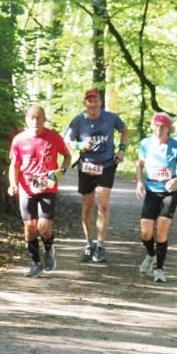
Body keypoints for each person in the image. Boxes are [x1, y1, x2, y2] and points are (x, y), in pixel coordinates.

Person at [63, 89, 130, 263]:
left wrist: (121, 151)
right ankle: (88, 243)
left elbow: (125, 131)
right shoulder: (79, 120)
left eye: (95, 100)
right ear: (85, 103)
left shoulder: (110, 118)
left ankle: (100, 245)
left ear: (100, 102)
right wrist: (79, 145)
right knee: (87, 205)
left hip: (107, 165)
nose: (92, 104)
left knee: (104, 205)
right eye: (89, 101)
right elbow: (66, 141)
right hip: (86, 166)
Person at [8, 105, 72, 278]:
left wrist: (62, 171)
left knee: (44, 226)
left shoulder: (53, 137)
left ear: (44, 119)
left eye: (39, 117)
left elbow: (67, 156)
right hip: (26, 187)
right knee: (30, 228)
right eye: (32, 118)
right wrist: (13, 183)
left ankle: (49, 248)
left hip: (48, 186)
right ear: (26, 120)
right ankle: (36, 262)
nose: (35, 121)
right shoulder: (19, 140)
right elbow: (14, 165)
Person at [135, 113, 177, 283]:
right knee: (145, 233)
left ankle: (159, 269)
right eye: (157, 126)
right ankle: (151, 255)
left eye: (163, 127)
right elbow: (139, 164)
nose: (159, 130)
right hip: (152, 191)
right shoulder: (145, 144)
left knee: (161, 232)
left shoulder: (176, 146)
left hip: (170, 193)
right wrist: (139, 182)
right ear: (152, 126)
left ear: (169, 129)